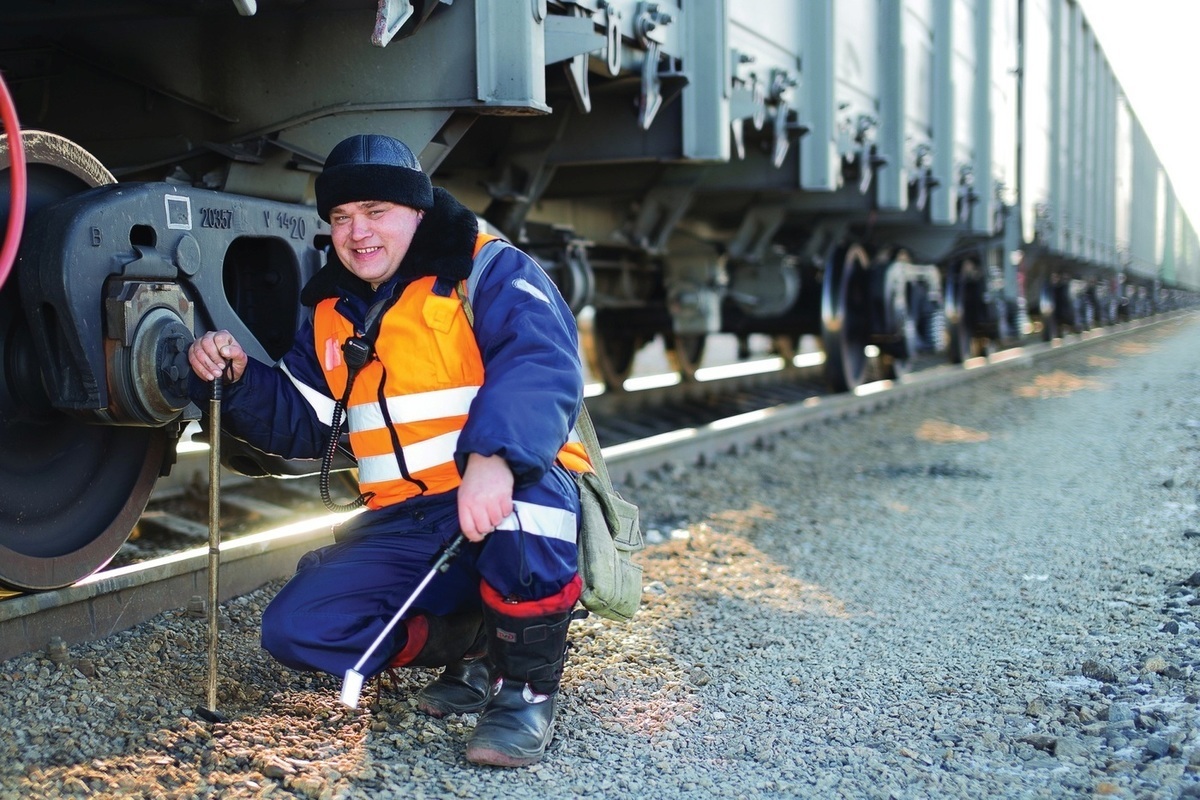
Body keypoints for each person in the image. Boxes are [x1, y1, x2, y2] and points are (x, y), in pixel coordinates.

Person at [187, 133, 591, 768]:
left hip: (505, 488)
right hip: (406, 516)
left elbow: (540, 363)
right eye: (342, 217)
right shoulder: (330, 311)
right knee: (299, 630)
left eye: (376, 212)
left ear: (418, 212)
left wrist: (494, 457)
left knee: (527, 506)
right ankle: (474, 638)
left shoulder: (488, 270)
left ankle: (525, 693)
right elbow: (305, 423)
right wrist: (238, 379)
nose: (357, 232)